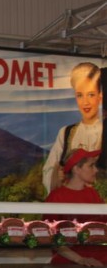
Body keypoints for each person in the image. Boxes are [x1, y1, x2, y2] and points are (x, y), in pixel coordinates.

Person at [42, 62, 103, 194]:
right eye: (80, 95)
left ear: (100, 96)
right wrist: (57, 177)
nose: (85, 102)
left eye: (91, 94)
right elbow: (49, 169)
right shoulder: (66, 133)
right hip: (72, 201)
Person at [44, 148, 105, 266]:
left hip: (100, 260)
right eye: (91, 166)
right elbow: (52, 237)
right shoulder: (56, 197)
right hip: (70, 265)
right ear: (76, 169)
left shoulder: (92, 193)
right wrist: (79, 260)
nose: (96, 170)